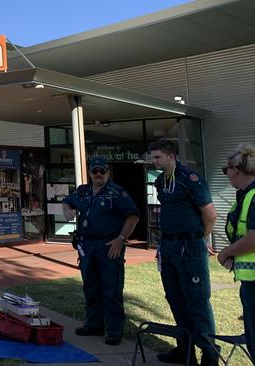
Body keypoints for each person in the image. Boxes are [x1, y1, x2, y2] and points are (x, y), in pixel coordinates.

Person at [148, 138, 219, 365]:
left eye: (158, 157)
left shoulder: (190, 179)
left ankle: (209, 352)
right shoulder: (160, 181)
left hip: (190, 245)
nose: (154, 161)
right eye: (152, 157)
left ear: (171, 156)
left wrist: (201, 238)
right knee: (175, 297)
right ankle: (184, 349)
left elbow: (210, 214)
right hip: (168, 245)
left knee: (196, 300)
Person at [62, 157, 139, 346]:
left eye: (102, 171)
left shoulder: (116, 192)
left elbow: (133, 216)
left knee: (111, 288)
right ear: (89, 172)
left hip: (109, 246)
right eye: (95, 171)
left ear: (108, 173)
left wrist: (121, 240)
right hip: (87, 246)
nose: (98, 175)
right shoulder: (83, 191)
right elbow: (67, 200)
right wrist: (68, 210)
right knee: (90, 287)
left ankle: (113, 329)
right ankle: (94, 323)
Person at [217, 143, 255, 359]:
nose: (226, 175)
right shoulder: (245, 196)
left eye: (226, 170)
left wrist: (225, 253)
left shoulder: (253, 196)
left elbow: (253, 238)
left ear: (237, 171)